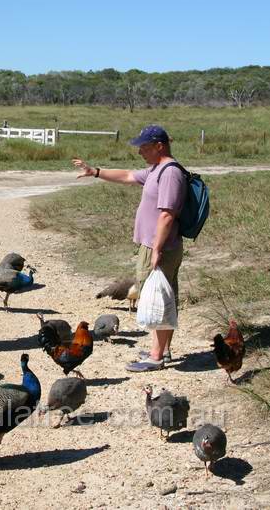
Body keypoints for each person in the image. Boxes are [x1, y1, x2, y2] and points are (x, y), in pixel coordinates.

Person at [73, 125, 187, 372]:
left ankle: (156, 357)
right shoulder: (157, 170)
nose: (140, 153)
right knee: (161, 296)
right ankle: (162, 350)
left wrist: (156, 248)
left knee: (157, 300)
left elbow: (167, 215)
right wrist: (95, 172)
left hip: (160, 248)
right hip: (155, 246)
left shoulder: (170, 173)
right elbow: (127, 176)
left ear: (160, 146)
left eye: (144, 148)